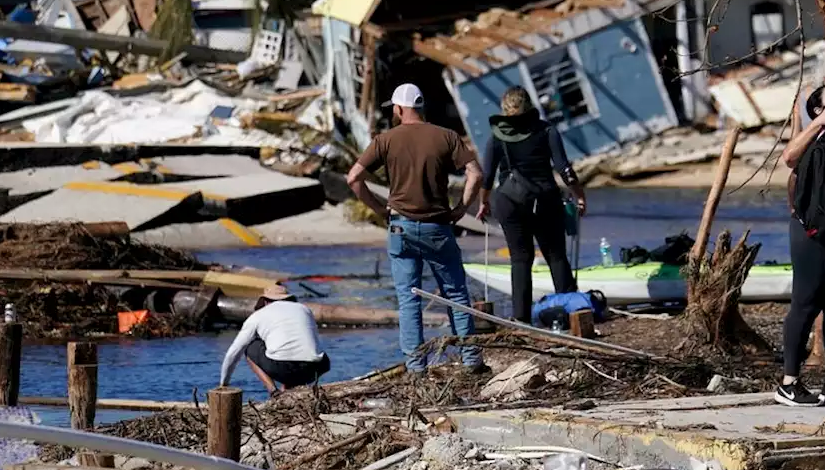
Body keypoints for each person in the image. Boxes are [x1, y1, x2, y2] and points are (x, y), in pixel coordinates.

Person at [346, 83, 486, 374]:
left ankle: (416, 367)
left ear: (398, 109)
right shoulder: (446, 136)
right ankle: (471, 359)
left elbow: (354, 178)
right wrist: (461, 208)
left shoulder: (385, 140)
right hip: (437, 226)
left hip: (400, 228)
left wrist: (378, 208)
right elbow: (475, 174)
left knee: (408, 298)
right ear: (421, 108)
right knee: (456, 293)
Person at [476, 87, 587, 322]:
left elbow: (487, 177)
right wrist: (579, 195)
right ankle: (571, 314)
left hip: (508, 201)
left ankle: (521, 320)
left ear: (504, 109)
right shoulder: (547, 130)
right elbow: (563, 167)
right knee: (556, 255)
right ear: (529, 105)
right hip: (545, 199)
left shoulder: (496, 137)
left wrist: (483, 202)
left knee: (520, 259)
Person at [776, 82, 825, 407]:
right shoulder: (816, 134)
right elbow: (789, 157)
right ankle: (788, 383)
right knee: (805, 303)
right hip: (808, 232)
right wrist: (819, 122)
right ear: (818, 110)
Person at [219, 285, 330, 392]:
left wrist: (224, 383)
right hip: (316, 368)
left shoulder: (258, 315)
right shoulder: (305, 309)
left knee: (250, 347)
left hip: (282, 368)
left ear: (266, 301)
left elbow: (233, 352)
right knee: (294, 349)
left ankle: (273, 392)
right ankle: (289, 389)